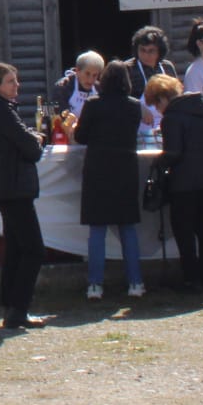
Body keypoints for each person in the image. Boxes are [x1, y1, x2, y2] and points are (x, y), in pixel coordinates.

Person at [0, 62, 50, 330]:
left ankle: (11, 306)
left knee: (16, 248)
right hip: (13, 187)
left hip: (6, 186)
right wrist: (36, 139)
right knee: (33, 249)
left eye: (16, 80)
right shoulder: (2, 112)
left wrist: (30, 139)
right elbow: (31, 149)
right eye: (10, 81)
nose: (17, 85)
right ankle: (19, 308)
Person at [69, 59, 143, 299]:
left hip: (98, 170)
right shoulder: (134, 106)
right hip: (126, 169)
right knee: (128, 228)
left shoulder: (93, 104)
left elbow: (81, 137)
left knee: (97, 229)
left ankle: (95, 285)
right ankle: (135, 283)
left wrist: (73, 127)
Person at [149, 74, 203, 294]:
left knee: (184, 231)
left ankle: (191, 279)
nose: (158, 109)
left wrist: (158, 162)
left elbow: (173, 153)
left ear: (163, 98)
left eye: (156, 104)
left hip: (185, 183)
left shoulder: (172, 118)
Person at [116, 26, 178, 129]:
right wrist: (139, 107)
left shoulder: (167, 67)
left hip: (167, 125)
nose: (146, 55)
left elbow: (177, 97)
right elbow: (118, 99)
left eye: (151, 51)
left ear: (160, 51)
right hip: (137, 127)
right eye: (142, 50)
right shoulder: (127, 69)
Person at [54, 51, 105, 118]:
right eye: (87, 74)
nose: (90, 80)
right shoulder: (63, 86)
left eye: (95, 75)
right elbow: (54, 115)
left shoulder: (100, 89)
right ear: (77, 71)